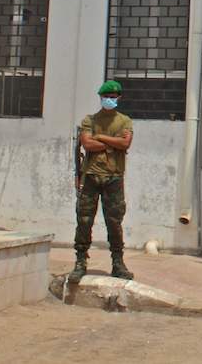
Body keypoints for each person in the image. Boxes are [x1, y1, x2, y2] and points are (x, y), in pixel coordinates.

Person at [69, 80, 135, 283]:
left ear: (119, 98)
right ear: (101, 98)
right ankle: (80, 261)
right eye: (107, 97)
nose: (110, 100)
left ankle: (118, 262)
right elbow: (87, 144)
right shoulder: (90, 120)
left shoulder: (124, 121)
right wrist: (112, 143)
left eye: (114, 97)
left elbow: (125, 143)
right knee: (84, 219)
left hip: (113, 177)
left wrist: (101, 138)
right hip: (91, 176)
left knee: (114, 222)